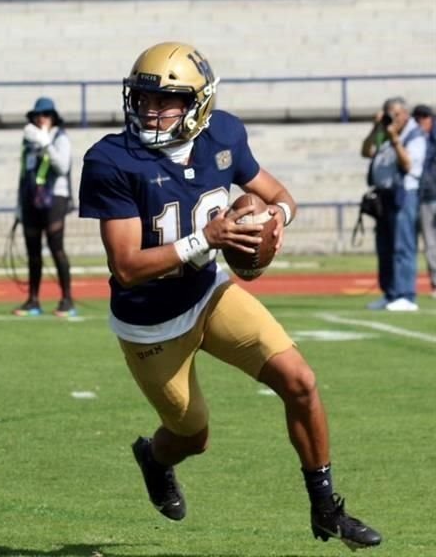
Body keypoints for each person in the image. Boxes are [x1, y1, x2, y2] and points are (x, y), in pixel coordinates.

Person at [79, 42, 381, 549]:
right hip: (151, 322)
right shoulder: (112, 159)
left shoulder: (224, 134)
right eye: (144, 99)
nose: (150, 111)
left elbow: (280, 196)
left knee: (300, 381)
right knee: (193, 436)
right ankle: (154, 458)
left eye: (166, 100)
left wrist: (275, 220)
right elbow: (127, 267)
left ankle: (327, 507)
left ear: (199, 103)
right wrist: (208, 239)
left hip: (210, 292)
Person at [361, 97, 426, 311]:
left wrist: (394, 137)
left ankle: (406, 295)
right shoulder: (383, 133)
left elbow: (408, 165)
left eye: (396, 114)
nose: (393, 118)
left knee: (402, 246)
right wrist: (376, 129)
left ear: (406, 114)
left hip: (404, 194)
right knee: (385, 247)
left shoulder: (415, 135)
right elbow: (366, 151)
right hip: (384, 195)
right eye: (389, 113)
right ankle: (390, 294)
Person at [14, 96, 75, 318]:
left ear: (54, 118)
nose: (42, 118)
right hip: (31, 198)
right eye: (39, 115)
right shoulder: (29, 141)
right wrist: (18, 205)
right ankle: (33, 300)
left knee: (56, 246)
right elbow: (24, 173)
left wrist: (45, 142)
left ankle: (67, 299)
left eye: (46, 115)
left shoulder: (60, 138)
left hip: (55, 197)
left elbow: (62, 166)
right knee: (32, 251)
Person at [412, 104, 436, 298]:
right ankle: (435, 283)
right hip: (426, 197)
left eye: (425, 117)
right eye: (418, 117)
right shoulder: (414, 139)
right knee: (430, 243)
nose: (422, 121)